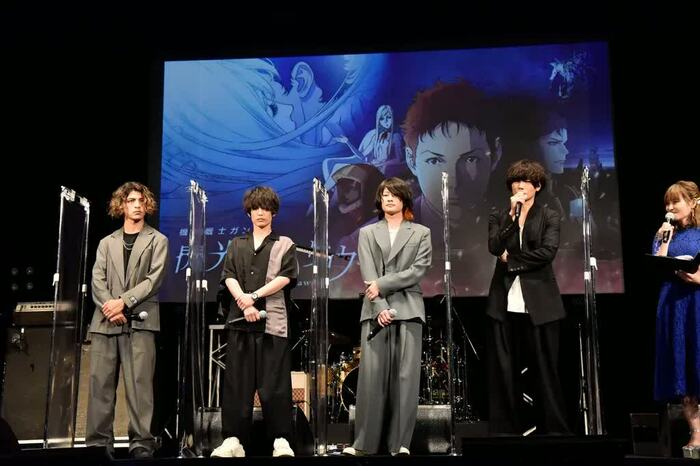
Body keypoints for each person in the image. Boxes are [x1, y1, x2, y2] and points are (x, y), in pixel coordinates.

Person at [342, 177, 432, 456]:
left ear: (404, 199)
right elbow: (368, 272)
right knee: (371, 378)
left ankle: (400, 444)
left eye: (394, 194)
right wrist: (380, 305)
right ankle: (363, 444)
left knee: (406, 379)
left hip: (409, 308)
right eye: (384, 195)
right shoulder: (368, 232)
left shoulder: (421, 232)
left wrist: (382, 284)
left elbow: (418, 270)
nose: (389, 199)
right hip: (374, 309)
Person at [211, 186, 298, 458]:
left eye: (266, 208)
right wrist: (243, 301)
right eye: (256, 208)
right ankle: (233, 439)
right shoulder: (236, 244)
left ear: (273, 212)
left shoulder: (284, 243)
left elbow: (285, 277)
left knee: (275, 385)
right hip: (240, 322)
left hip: (273, 324)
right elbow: (229, 275)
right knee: (237, 384)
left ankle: (281, 440)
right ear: (249, 212)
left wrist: (254, 297)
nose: (261, 213)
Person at [485, 160, 570, 435]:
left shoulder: (549, 215)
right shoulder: (499, 215)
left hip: (541, 302)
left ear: (537, 186)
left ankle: (553, 430)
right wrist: (512, 218)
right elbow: (494, 246)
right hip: (503, 300)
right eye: (515, 181)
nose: (519, 186)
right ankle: (505, 430)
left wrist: (511, 261)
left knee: (545, 368)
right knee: (504, 369)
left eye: (525, 181)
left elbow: (547, 252)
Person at [86, 182, 169, 458]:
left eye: (141, 201)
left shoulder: (158, 240)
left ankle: (141, 443)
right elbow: (97, 280)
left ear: (147, 205)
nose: (137, 205)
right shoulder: (106, 242)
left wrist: (123, 301)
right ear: (121, 205)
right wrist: (111, 307)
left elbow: (153, 280)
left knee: (140, 388)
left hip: (140, 322)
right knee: (100, 387)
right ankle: (98, 444)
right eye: (131, 200)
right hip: (105, 322)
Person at [402, 80, 501, 296]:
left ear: (496, 154)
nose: (453, 180)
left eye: (470, 159)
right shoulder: (379, 237)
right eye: (435, 161)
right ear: (411, 160)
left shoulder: (509, 232)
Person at [652, 180, 700, 457]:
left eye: (676, 201)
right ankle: (696, 432)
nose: (670, 207)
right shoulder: (663, 233)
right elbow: (657, 264)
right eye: (667, 203)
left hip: (697, 300)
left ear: (692, 202)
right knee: (683, 365)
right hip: (674, 304)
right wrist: (664, 241)